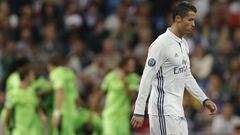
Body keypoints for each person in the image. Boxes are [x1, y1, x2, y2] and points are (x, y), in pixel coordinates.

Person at [131, 1, 217, 135]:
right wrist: (139, 110)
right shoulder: (161, 44)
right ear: (178, 18)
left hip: (177, 109)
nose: (193, 24)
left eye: (194, 20)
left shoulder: (183, 44)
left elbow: (187, 76)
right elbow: (146, 78)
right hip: (162, 109)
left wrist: (204, 99)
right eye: (190, 20)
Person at [93, 57, 139, 135]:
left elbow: (133, 96)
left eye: (133, 65)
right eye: (130, 65)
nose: (132, 67)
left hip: (123, 116)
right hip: (109, 115)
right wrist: (95, 109)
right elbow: (100, 93)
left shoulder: (133, 78)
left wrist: (124, 80)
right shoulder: (111, 76)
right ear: (124, 65)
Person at [2, 65, 46, 135]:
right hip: (19, 131)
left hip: (34, 130)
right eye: (32, 75)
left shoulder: (32, 92)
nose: (34, 77)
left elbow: (38, 109)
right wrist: (3, 132)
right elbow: (7, 115)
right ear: (26, 77)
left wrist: (43, 119)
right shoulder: (12, 94)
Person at [47, 53, 78, 135]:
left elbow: (60, 91)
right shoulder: (69, 73)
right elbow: (75, 94)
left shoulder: (55, 73)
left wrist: (56, 113)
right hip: (73, 112)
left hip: (63, 113)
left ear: (50, 65)